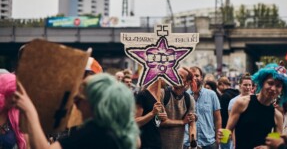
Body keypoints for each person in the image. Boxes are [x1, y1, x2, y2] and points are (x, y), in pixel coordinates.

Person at [12, 73, 140, 149]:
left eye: (79, 100)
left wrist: (30, 111)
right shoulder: (124, 133)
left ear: (97, 104)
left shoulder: (94, 132)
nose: (75, 105)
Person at [218, 63, 287, 149]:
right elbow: (227, 132)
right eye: (270, 83)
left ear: (282, 90)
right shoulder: (242, 103)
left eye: (278, 86)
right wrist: (223, 137)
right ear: (262, 82)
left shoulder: (277, 116)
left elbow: (274, 145)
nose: (273, 88)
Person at [184, 66, 221, 149]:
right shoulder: (184, 95)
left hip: (208, 143)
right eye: (192, 76)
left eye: (197, 75)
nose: (194, 78)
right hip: (188, 143)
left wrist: (217, 139)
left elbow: (217, 118)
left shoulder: (211, 94)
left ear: (201, 78)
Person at [160, 67, 197, 149]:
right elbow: (160, 122)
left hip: (178, 145)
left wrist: (193, 142)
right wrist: (182, 122)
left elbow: (192, 122)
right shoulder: (162, 94)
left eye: (180, 77)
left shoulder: (189, 99)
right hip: (160, 145)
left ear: (187, 82)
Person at [135, 80, 167, 149]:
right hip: (145, 143)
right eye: (165, 77)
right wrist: (152, 113)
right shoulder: (142, 95)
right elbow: (135, 121)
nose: (167, 81)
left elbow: (157, 121)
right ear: (158, 78)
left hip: (156, 142)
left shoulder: (159, 95)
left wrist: (163, 117)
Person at [0, 73, 27, 149]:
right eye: (12, 94)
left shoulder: (17, 116)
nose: (15, 99)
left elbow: (26, 145)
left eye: (17, 95)